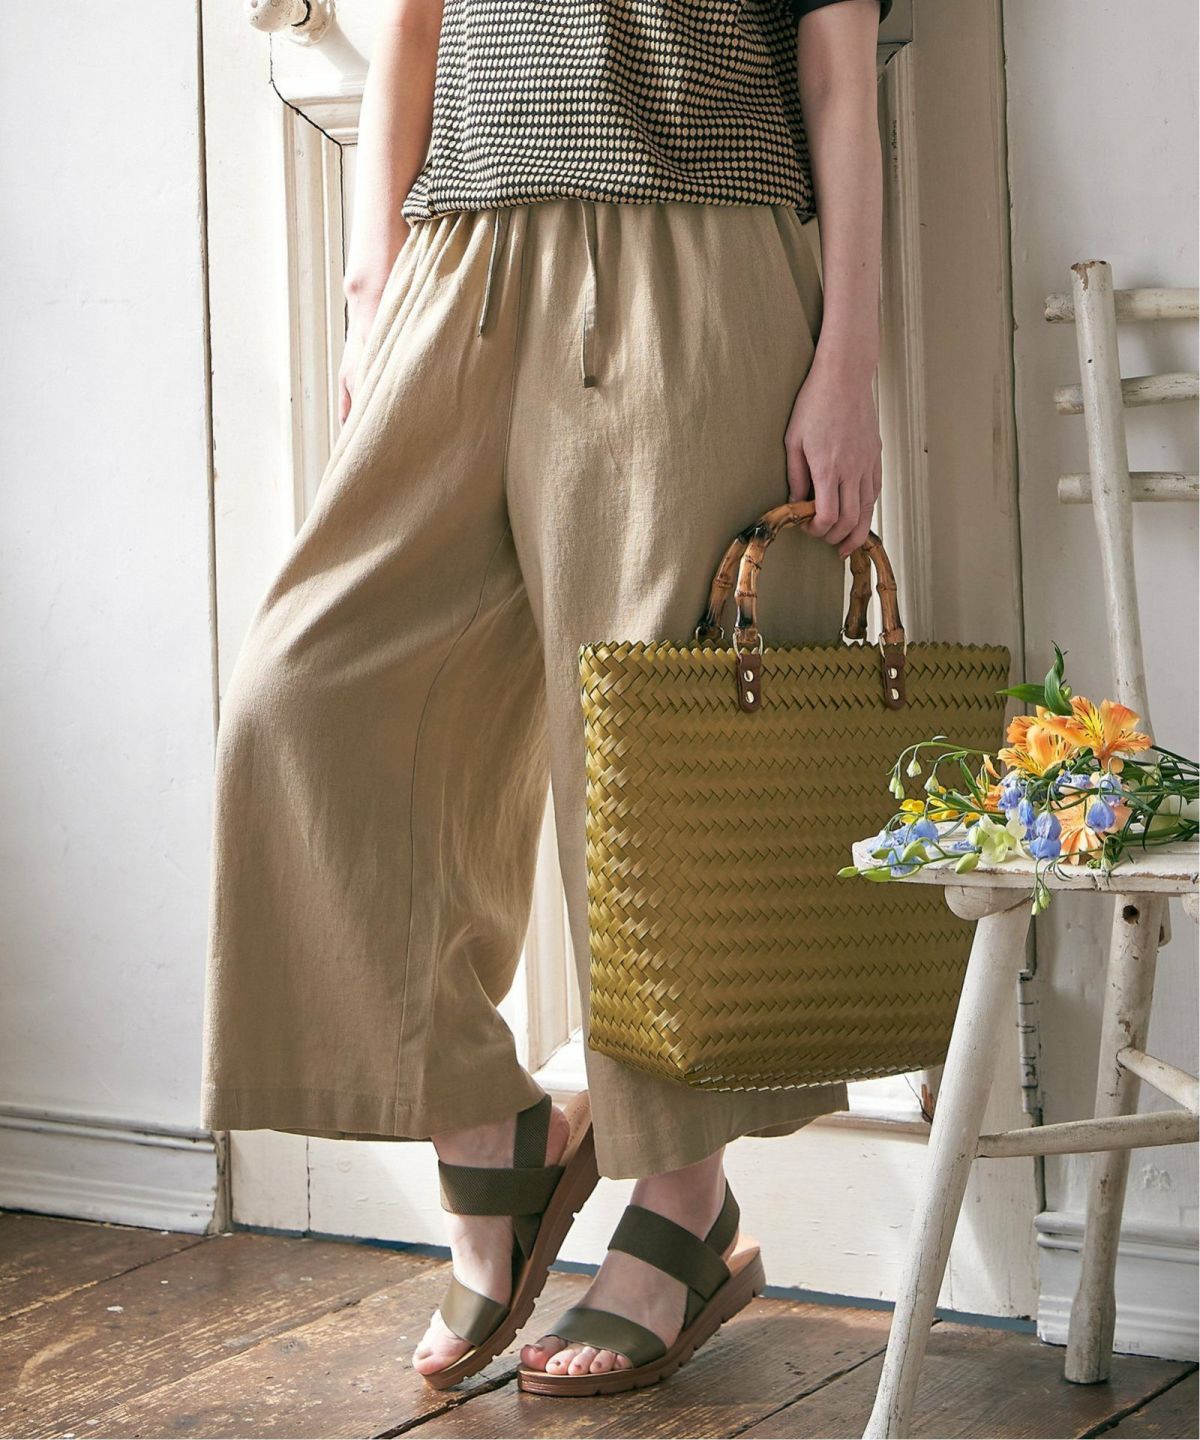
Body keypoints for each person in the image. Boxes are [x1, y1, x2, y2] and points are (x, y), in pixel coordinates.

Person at [201, 0, 889, 1397]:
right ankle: (491, 1133)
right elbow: (410, 20)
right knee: (302, 695)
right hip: (459, 256)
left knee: (658, 755)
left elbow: (839, 69)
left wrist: (848, 363)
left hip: (700, 252)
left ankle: (686, 1207)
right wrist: (372, 282)